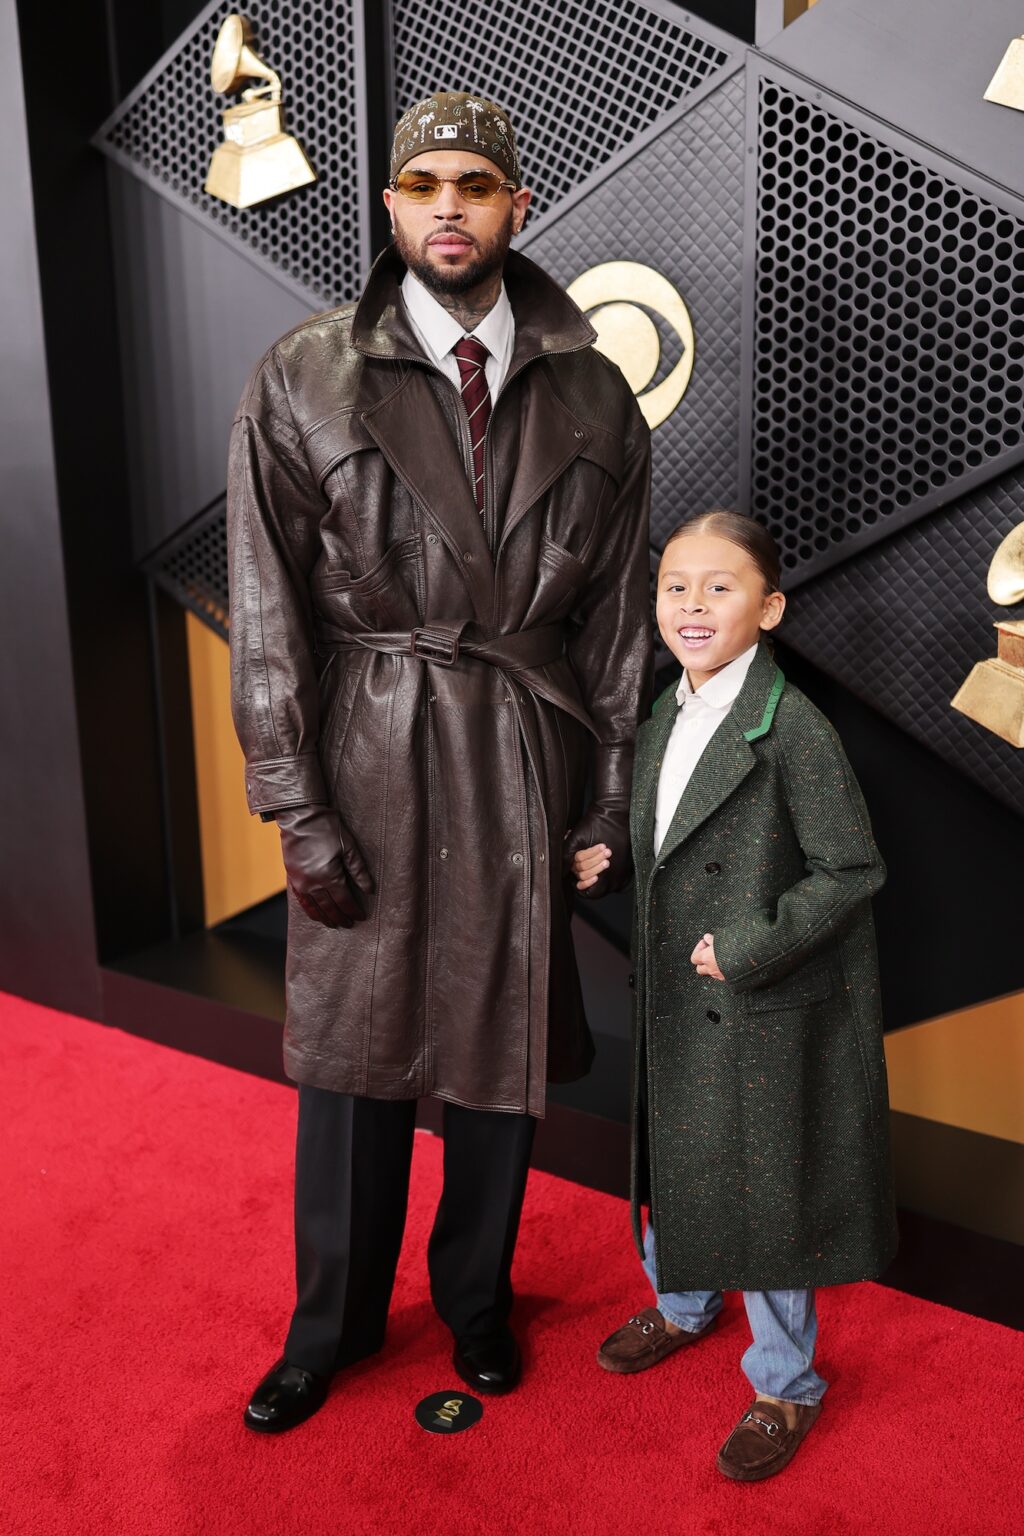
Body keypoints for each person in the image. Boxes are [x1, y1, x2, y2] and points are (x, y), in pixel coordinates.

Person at [227, 90, 652, 1432]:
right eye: (424, 185)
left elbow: (619, 623)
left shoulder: (594, 390)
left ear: (518, 203)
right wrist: (296, 804)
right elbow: (266, 610)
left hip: (524, 744)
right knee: (354, 1057)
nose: (450, 207)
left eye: (475, 184)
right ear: (392, 204)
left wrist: (608, 795)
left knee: (496, 1046)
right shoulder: (302, 373)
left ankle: (476, 1304)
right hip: (368, 740)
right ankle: (332, 1326)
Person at [575, 510, 897, 1482]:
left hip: (756, 1002)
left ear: (770, 608)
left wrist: (752, 948)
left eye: (720, 586)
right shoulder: (664, 715)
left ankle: (785, 1382)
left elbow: (851, 869)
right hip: (678, 1000)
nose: (693, 604)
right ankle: (683, 1304)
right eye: (675, 586)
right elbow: (669, 844)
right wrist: (612, 862)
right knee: (681, 1160)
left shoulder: (791, 727)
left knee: (765, 1192)